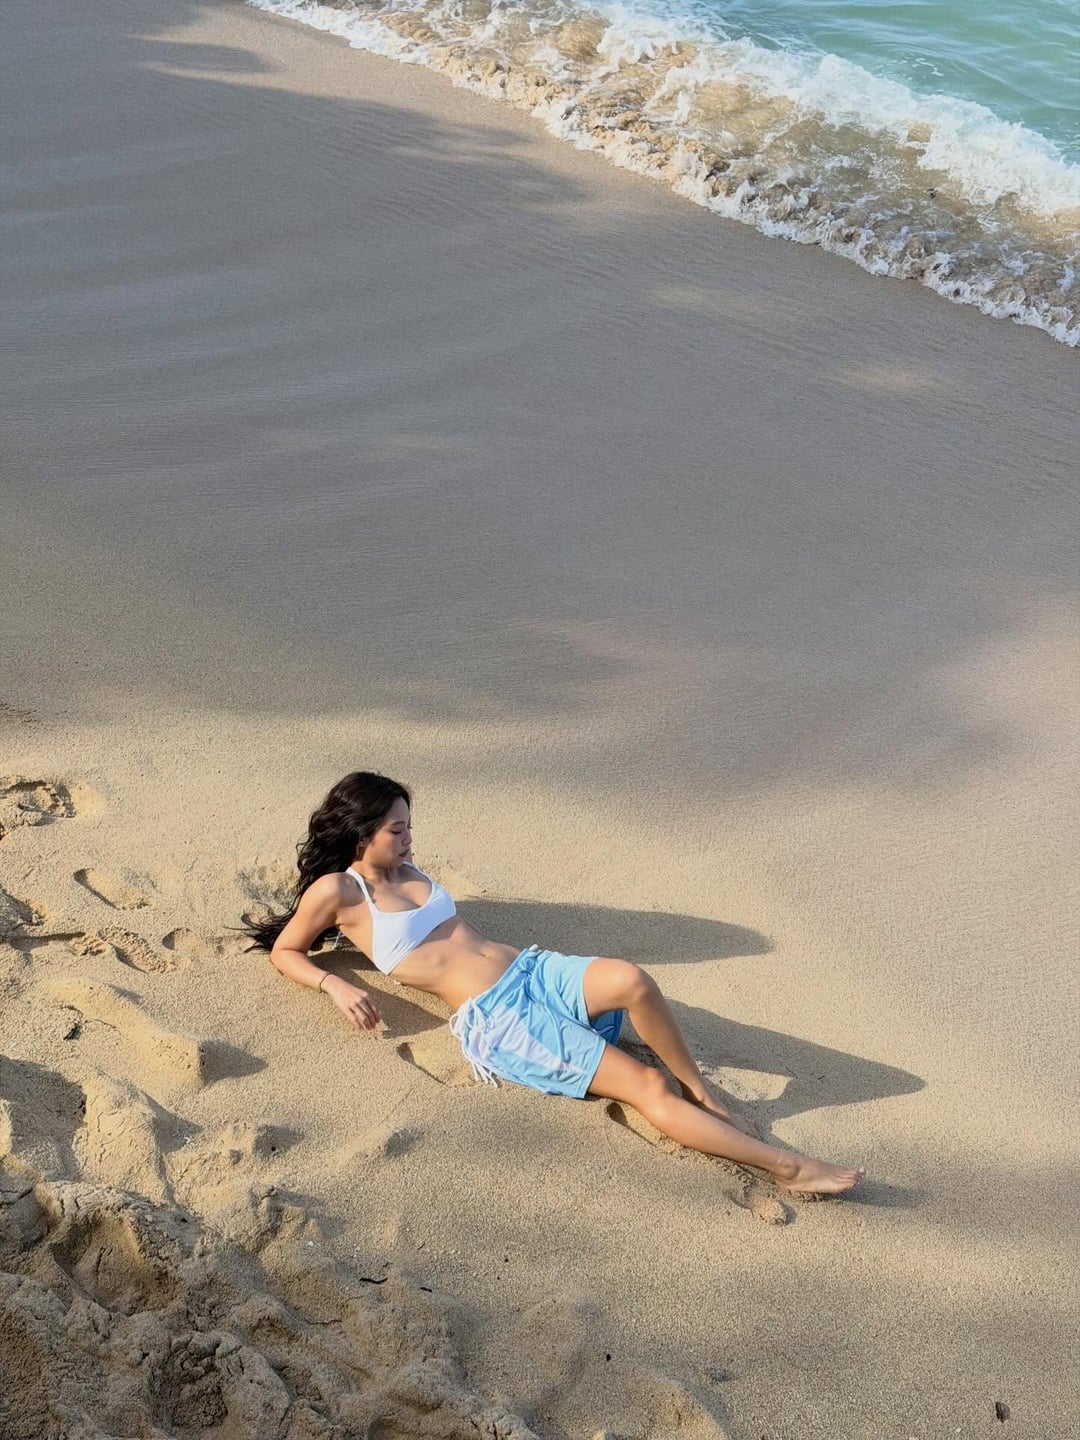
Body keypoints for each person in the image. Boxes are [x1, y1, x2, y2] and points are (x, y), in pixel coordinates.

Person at [242, 772, 865, 1195]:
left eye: (408, 826)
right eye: (396, 830)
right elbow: (286, 951)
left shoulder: (408, 865)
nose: (409, 838)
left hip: (532, 969)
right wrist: (335, 986)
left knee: (633, 980)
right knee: (645, 1084)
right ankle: (788, 1167)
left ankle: (701, 1093)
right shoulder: (340, 891)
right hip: (502, 1018)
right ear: (361, 834)